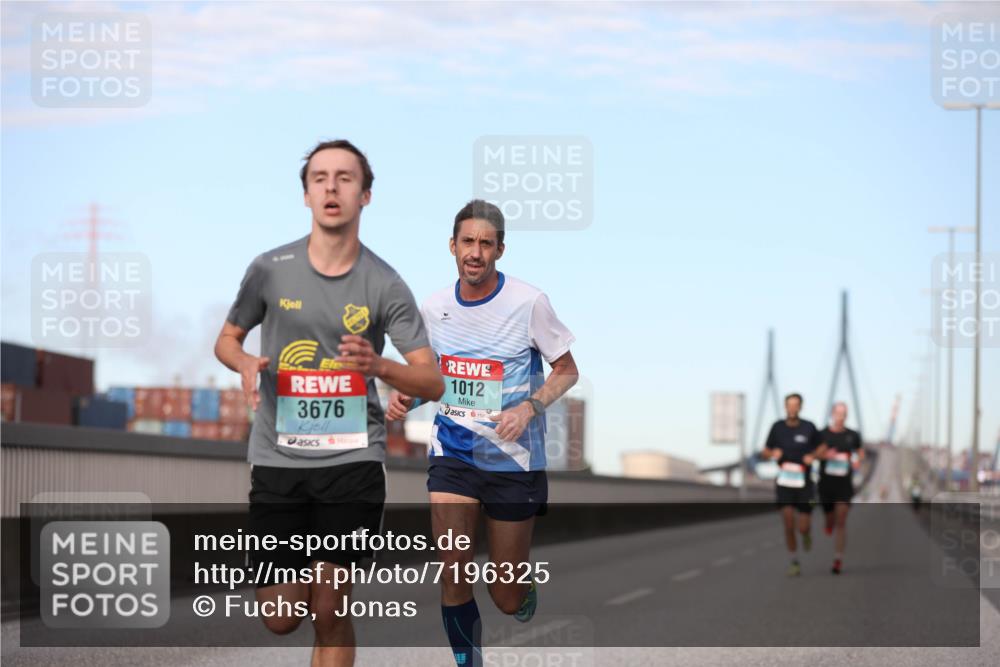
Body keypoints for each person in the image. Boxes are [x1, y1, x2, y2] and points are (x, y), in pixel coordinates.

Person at [214, 139, 443, 667]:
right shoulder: (270, 269)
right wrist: (245, 362)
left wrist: (379, 367)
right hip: (277, 459)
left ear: (365, 195)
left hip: (353, 462)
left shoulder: (385, 284)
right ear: (306, 195)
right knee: (280, 616)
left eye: (344, 177)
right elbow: (226, 340)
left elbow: (431, 382)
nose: (331, 187)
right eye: (320, 178)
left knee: (330, 607)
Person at [386, 200, 578, 667]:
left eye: (485, 244)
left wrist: (530, 407)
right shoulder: (432, 308)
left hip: (512, 459)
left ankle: (520, 583)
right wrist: (407, 396)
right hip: (453, 455)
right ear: (452, 246)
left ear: (500, 250)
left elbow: (567, 372)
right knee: (453, 571)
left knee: (506, 597)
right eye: (468, 242)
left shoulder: (529, 302)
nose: (476, 252)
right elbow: (428, 374)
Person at [761, 393, 823, 577]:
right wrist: (773, 454)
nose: (792, 408)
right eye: (789, 405)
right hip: (784, 482)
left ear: (801, 407)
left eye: (796, 405)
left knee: (802, 526)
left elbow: (823, 448)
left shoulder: (809, 427)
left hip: (805, 483)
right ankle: (794, 561)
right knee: (788, 523)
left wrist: (813, 456)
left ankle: (806, 534)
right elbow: (764, 451)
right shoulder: (777, 427)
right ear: (785, 407)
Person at [818, 401, 864, 575]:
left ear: (847, 415)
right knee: (830, 518)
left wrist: (858, 459)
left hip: (844, 484)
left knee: (841, 521)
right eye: (838, 413)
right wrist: (824, 455)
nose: (841, 417)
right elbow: (814, 454)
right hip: (826, 484)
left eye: (844, 414)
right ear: (832, 414)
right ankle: (828, 522)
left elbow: (860, 451)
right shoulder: (822, 434)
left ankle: (838, 559)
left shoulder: (853, 435)